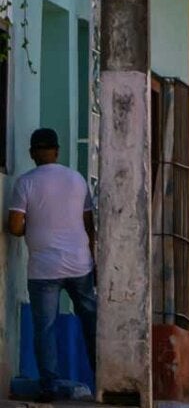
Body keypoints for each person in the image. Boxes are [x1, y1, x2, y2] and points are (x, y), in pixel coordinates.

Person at [6, 129, 98, 402]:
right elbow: (89, 224)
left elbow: (14, 226)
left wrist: (30, 228)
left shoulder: (25, 183)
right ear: (57, 152)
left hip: (44, 268)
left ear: (32, 153)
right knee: (91, 322)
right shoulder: (77, 179)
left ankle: (49, 385)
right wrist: (93, 257)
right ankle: (104, 376)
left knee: (45, 327)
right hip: (80, 265)